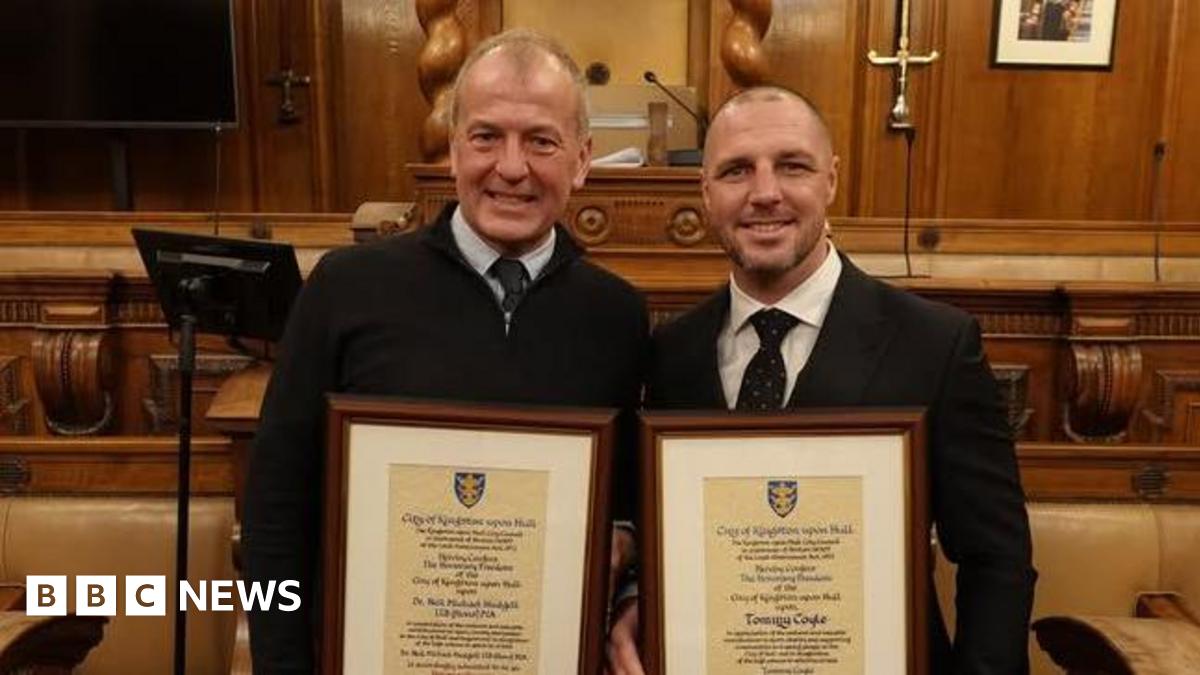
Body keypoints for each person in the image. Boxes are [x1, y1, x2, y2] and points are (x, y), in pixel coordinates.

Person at [243, 29, 648, 673]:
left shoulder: (616, 314)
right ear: (453, 148)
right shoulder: (346, 288)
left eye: (541, 141)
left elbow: (629, 498)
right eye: (486, 136)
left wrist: (621, 537)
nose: (510, 167)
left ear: (581, 158)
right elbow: (274, 514)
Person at [605, 87, 1036, 674]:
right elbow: (655, 528)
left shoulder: (934, 345)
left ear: (830, 180)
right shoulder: (670, 352)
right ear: (705, 193)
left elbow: (996, 558)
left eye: (792, 166)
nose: (764, 193)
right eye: (736, 171)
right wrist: (635, 601)